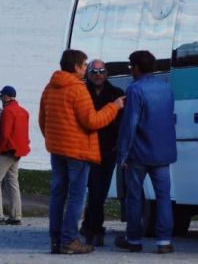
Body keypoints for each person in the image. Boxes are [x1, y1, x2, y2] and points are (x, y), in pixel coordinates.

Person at [39, 49, 124, 255]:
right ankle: (69, 240)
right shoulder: (78, 89)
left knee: (58, 195)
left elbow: (43, 119)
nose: (86, 69)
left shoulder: (50, 87)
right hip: (77, 151)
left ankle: (56, 239)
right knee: (77, 196)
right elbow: (92, 121)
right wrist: (114, 107)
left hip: (56, 150)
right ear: (76, 67)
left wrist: (54, 140)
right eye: (85, 65)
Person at [115, 50, 177, 254]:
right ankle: (164, 241)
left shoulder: (135, 89)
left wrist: (123, 153)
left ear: (137, 67)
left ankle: (133, 239)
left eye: (131, 66)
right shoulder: (166, 88)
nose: (130, 70)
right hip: (163, 152)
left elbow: (130, 123)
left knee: (134, 197)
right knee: (164, 197)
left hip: (139, 153)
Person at [79, 58, 125, 247]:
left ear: (107, 73)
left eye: (101, 71)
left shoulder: (117, 94)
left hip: (108, 150)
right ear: (87, 73)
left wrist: (120, 147)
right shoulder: (81, 93)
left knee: (100, 191)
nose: (98, 75)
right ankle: (94, 229)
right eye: (94, 72)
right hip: (86, 149)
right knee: (94, 190)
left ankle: (90, 226)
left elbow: (123, 124)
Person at [0, 85, 30, 226]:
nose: (0, 98)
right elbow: (24, 133)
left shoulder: (7, 112)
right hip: (18, 151)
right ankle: (16, 215)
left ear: (7, 96)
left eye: (1, 96)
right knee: (12, 182)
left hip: (6, 151)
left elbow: (5, 134)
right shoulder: (24, 112)